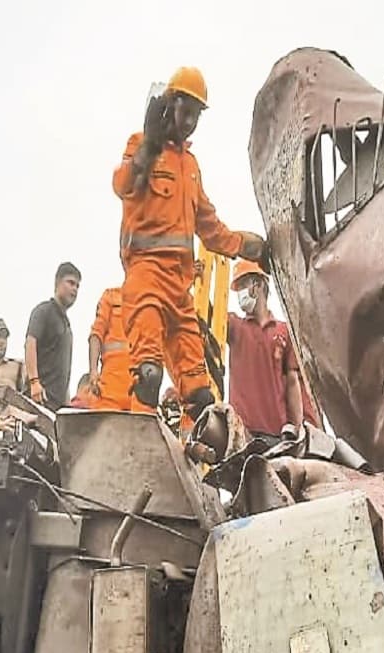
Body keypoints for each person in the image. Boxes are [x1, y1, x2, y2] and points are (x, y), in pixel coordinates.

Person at [112, 66, 266, 423]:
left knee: (200, 395)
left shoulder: (191, 167)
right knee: (148, 375)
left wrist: (247, 246)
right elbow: (123, 185)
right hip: (146, 277)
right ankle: (136, 452)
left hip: (180, 291)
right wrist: (147, 150)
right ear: (169, 106)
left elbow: (210, 228)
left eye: (197, 115)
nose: (190, 122)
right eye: (185, 112)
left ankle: (193, 466)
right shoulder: (141, 146)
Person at [226, 259, 316, 441]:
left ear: (258, 285)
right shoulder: (234, 326)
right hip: (242, 433)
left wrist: (297, 429)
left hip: (276, 434)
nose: (240, 293)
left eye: (244, 284)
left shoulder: (284, 331)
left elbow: (293, 382)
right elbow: (203, 317)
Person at [25, 262, 80, 410]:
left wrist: (67, 402)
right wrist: (34, 382)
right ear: (57, 283)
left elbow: (64, 367)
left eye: (77, 286)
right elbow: (30, 342)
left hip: (58, 405)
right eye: (71, 283)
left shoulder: (66, 325)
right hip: (40, 399)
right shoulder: (44, 311)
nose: (74, 289)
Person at [87, 285, 131, 410]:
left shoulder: (149, 303)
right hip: (110, 393)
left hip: (139, 397)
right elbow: (96, 334)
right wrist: (93, 371)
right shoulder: (112, 296)